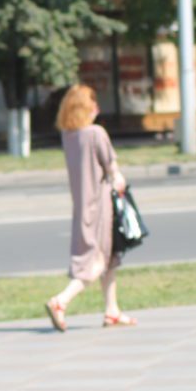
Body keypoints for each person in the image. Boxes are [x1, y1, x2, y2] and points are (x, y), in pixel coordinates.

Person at [45, 84, 136, 332]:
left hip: (81, 208)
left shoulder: (69, 136)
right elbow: (112, 170)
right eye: (92, 103)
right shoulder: (96, 133)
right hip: (100, 206)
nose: (97, 107)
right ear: (85, 108)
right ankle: (60, 301)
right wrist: (119, 180)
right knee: (94, 263)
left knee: (107, 259)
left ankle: (112, 311)